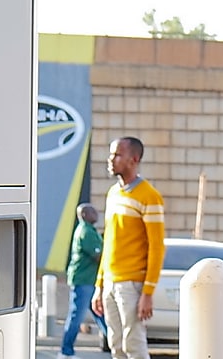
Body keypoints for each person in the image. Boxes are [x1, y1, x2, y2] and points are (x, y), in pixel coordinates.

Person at [91, 137, 166, 359]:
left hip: (132, 284)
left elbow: (156, 247)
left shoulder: (149, 196)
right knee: (116, 345)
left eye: (117, 155)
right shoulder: (113, 193)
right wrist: (99, 284)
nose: (111, 159)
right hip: (111, 283)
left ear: (134, 159)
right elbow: (109, 243)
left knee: (133, 344)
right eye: (111, 154)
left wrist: (148, 292)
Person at [58, 203, 107, 359]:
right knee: (76, 316)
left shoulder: (90, 230)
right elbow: (99, 255)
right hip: (83, 280)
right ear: (85, 215)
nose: (96, 213)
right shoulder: (86, 231)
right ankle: (66, 352)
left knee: (101, 314)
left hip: (90, 280)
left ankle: (115, 346)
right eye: (92, 211)